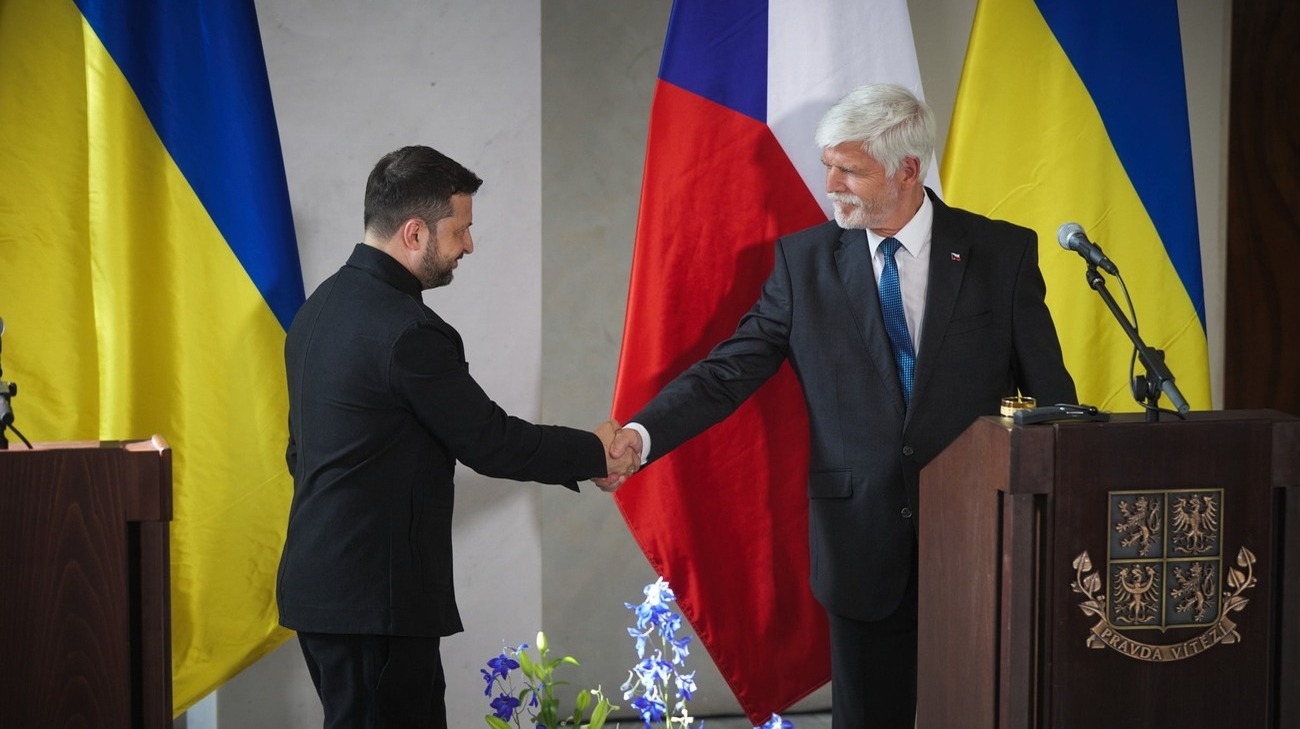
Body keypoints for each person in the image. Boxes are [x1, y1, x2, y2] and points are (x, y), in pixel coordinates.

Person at [598, 84, 1076, 727]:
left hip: (984, 544)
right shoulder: (805, 264)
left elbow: (1053, 399)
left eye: (849, 169)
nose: (830, 184)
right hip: (861, 545)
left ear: (907, 169)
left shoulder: (1001, 254)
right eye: (829, 165)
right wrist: (640, 434)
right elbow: (726, 373)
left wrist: (1063, 526)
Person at [277, 145, 637, 729]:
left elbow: (301, 454)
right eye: (460, 229)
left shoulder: (315, 311)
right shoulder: (409, 332)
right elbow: (490, 441)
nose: (468, 245)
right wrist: (595, 451)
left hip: (323, 591)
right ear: (415, 232)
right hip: (377, 603)